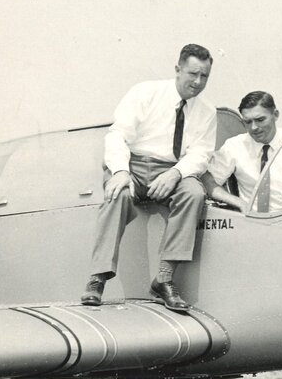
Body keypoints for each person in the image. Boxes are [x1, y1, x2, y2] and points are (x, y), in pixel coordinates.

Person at [81, 43, 216, 310]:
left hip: (173, 168)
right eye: (193, 74)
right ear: (178, 70)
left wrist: (176, 173)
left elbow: (201, 154)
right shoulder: (145, 92)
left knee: (194, 193)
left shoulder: (207, 111)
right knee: (116, 193)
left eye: (205, 76)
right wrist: (120, 171)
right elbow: (118, 134)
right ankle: (97, 278)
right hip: (134, 163)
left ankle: (164, 278)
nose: (198, 82)